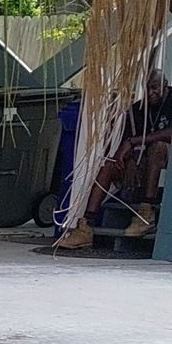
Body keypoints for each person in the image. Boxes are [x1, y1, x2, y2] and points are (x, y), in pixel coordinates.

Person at [55, 71, 172, 248]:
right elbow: (125, 142)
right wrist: (130, 161)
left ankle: (146, 212)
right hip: (144, 158)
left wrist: (134, 142)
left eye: (154, 88)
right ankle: (86, 226)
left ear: (165, 85)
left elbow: (167, 134)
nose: (150, 93)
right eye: (147, 88)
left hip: (163, 154)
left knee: (158, 146)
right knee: (109, 165)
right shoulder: (138, 109)